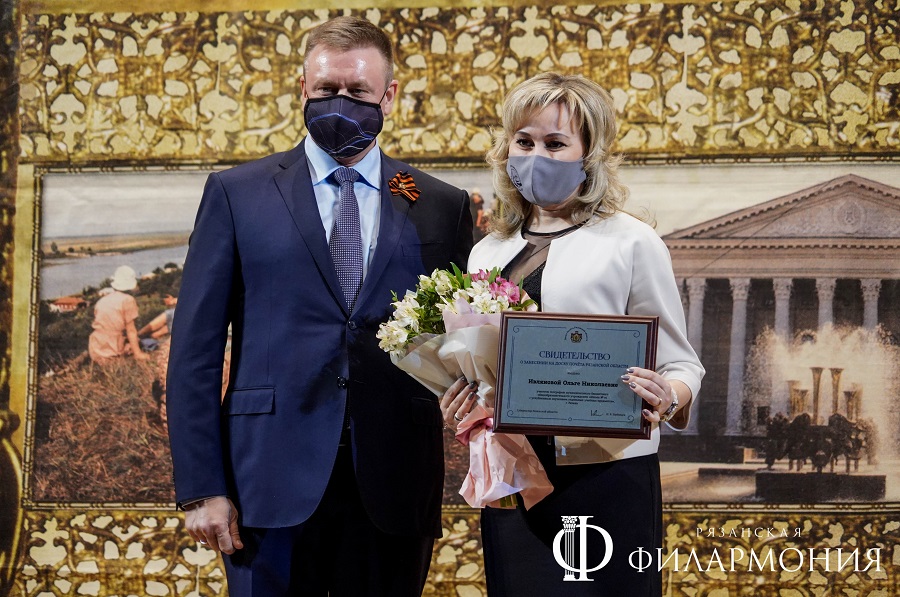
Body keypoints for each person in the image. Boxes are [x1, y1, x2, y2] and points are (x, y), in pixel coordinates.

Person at [166, 16, 473, 597]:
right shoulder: (238, 193)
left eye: (358, 91)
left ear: (389, 96)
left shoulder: (438, 203)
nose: (341, 102)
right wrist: (202, 486)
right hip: (265, 482)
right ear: (302, 88)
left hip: (395, 481)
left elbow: (464, 338)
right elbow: (194, 352)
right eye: (327, 88)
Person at [440, 73, 704, 595]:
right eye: (524, 141)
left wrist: (667, 397)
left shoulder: (632, 242)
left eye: (556, 143)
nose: (536, 155)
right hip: (512, 472)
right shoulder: (487, 250)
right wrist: (462, 402)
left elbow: (682, 366)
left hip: (607, 476)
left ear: (590, 154)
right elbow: (480, 364)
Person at [88, 265, 149, 364]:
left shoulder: (102, 301)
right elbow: (131, 330)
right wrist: (138, 353)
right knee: (145, 342)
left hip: (96, 348)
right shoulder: (128, 300)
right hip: (113, 348)